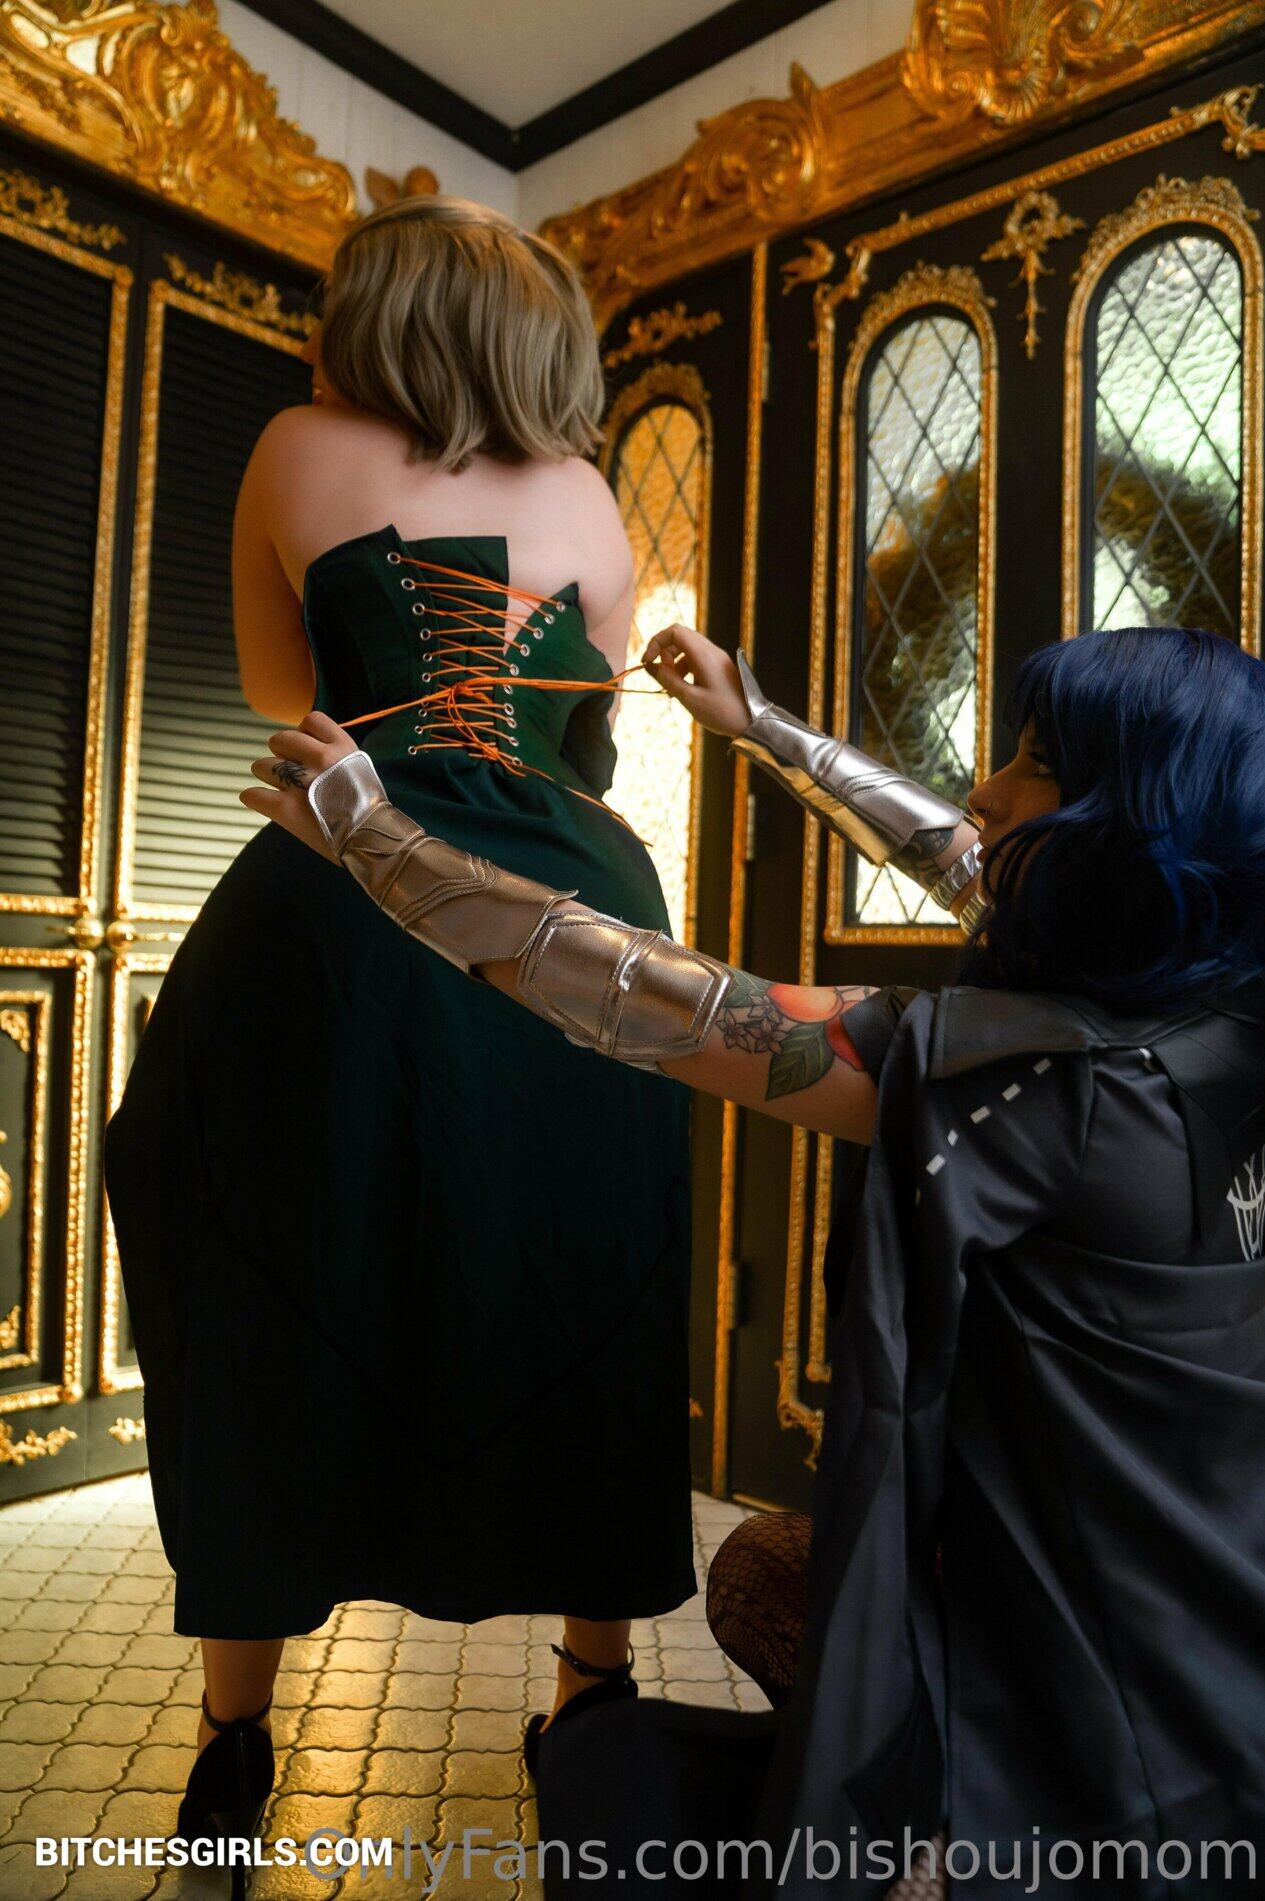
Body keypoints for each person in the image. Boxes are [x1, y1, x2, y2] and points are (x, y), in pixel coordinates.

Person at [247, 620, 1265, 1897]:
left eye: (1036, 767)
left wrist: (371, 834)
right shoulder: (1217, 1009)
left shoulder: (1055, 1088)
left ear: (1124, 827)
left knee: (635, 1787)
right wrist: (760, 724)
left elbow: (661, 999)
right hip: (1219, 1600)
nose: (984, 791)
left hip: (1111, 1701)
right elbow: (967, 859)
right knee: (766, 1571)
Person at [101, 196, 697, 1880]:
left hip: (340, 894)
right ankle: (588, 1705)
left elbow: (280, 700)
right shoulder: (589, 499)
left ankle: (231, 1739)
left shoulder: (294, 449)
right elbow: (576, 759)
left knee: (264, 1266)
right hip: (572, 921)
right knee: (593, 1271)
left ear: (380, 317)